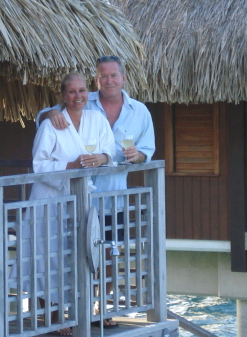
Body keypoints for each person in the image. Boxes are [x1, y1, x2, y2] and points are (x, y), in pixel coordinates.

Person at [37, 55, 156, 328]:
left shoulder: (140, 112)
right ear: (96, 79)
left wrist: (137, 155)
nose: (108, 80)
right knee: (67, 253)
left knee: (110, 253)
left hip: (113, 197)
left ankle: (100, 307)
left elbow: (147, 153)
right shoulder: (82, 99)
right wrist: (48, 113)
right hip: (76, 199)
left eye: (113, 75)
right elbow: (47, 117)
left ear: (123, 78)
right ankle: (62, 313)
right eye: (103, 76)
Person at [25, 72, 115, 336]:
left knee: (78, 256)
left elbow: (110, 149)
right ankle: (52, 318)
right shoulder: (52, 123)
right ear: (63, 96)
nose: (79, 96)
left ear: (89, 92)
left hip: (81, 199)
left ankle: (78, 313)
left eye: (83, 91)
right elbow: (38, 166)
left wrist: (102, 157)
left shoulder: (97, 119)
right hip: (49, 199)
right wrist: (70, 166)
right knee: (46, 258)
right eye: (72, 92)